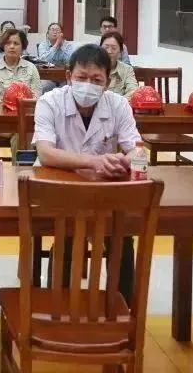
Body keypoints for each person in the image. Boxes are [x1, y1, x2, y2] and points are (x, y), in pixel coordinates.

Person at [33, 44, 142, 303]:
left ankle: (121, 307)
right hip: (57, 189)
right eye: (81, 78)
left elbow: (138, 149)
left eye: (96, 80)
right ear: (69, 76)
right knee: (68, 234)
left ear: (107, 82)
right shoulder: (49, 102)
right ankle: (58, 307)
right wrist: (94, 162)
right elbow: (46, 153)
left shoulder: (118, 105)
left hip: (103, 191)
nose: (88, 85)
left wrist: (127, 161)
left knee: (122, 236)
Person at [0, 28, 40, 102]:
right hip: (0, 108)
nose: (12, 46)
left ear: (22, 47)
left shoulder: (31, 68)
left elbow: (36, 96)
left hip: (26, 108)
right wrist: (10, 105)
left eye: (16, 43)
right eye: (8, 43)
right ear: (3, 46)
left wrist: (22, 105)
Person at [37, 22, 73, 94]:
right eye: (52, 29)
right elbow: (43, 60)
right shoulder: (43, 45)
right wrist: (56, 45)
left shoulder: (68, 45)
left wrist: (61, 46)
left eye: (57, 30)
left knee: (69, 90)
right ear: (48, 34)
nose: (55, 32)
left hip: (64, 78)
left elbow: (70, 61)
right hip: (48, 78)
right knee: (41, 87)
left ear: (61, 34)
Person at [101, 31, 138, 99]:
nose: (109, 51)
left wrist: (118, 103)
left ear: (120, 51)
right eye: (106, 47)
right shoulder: (92, 67)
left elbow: (133, 91)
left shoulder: (127, 69)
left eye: (114, 48)